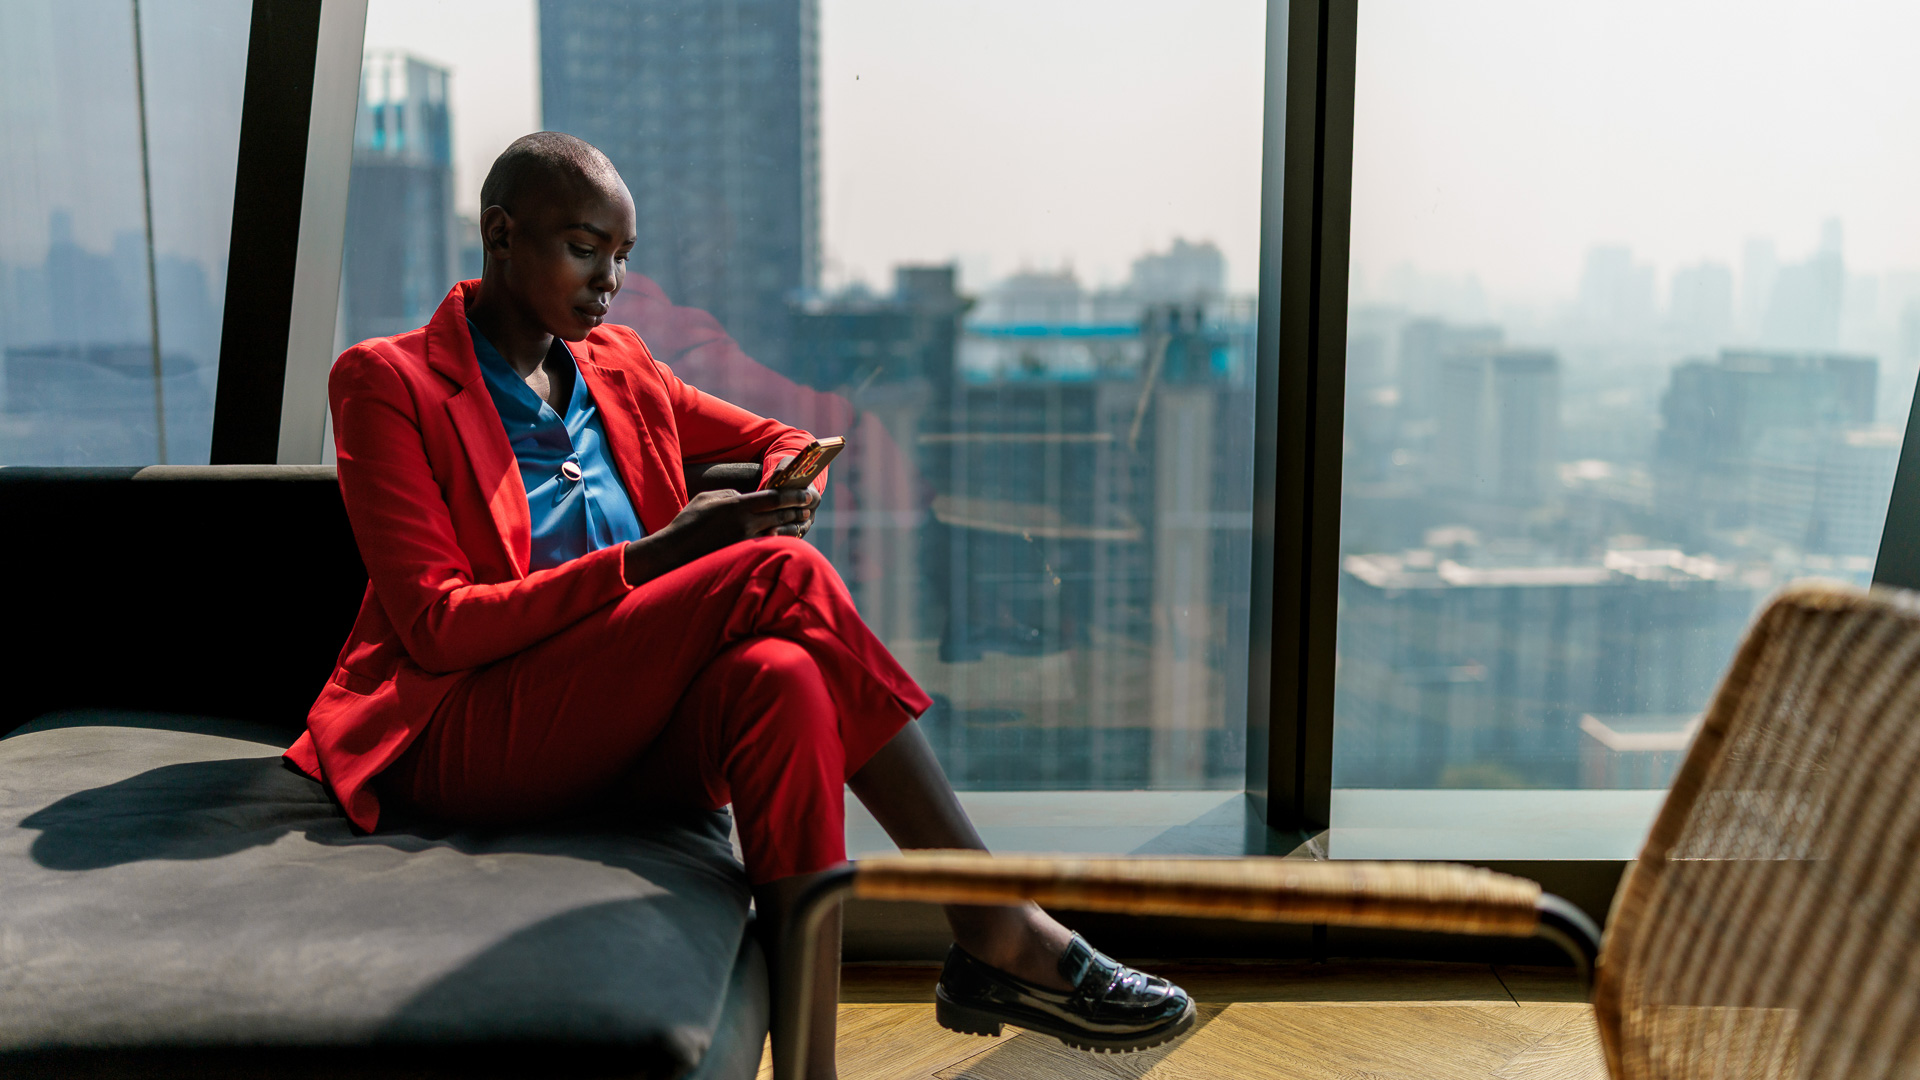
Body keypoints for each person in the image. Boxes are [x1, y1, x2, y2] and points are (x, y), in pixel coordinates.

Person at [283, 131, 1192, 1079]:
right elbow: (437, 627)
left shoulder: (621, 366)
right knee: (780, 578)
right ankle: (994, 918)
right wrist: (663, 551)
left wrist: (769, 484)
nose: (609, 281)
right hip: (464, 732)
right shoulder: (387, 382)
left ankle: (811, 1067)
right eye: (585, 248)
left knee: (784, 680)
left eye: (623, 258)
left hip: (612, 722)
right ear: (501, 235)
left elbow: (784, 437)